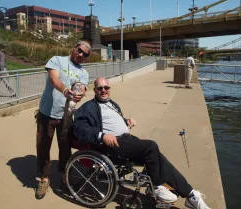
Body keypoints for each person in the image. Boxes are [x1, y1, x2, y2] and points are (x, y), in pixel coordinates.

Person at [73, 77, 211, 209]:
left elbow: (113, 120)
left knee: (159, 159)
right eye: (100, 88)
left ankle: (191, 195)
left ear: (110, 88)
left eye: (106, 87)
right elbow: (79, 129)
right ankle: (156, 187)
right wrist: (101, 136)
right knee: (151, 146)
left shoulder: (112, 103)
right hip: (113, 145)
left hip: (127, 139)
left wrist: (126, 121)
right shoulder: (88, 107)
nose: (103, 90)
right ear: (95, 90)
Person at [35, 40, 91, 200]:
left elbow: (82, 87)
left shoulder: (84, 73)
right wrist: (66, 90)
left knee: (65, 148)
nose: (80, 55)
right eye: (79, 51)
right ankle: (44, 179)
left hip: (66, 116)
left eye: (85, 54)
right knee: (43, 146)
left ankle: (64, 177)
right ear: (74, 48)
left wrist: (79, 93)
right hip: (46, 113)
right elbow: (54, 80)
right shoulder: (57, 60)